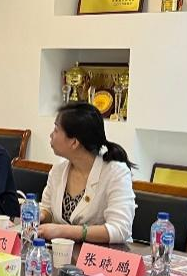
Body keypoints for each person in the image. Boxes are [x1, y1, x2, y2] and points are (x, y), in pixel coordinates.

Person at [38, 102, 136, 244]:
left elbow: (119, 229)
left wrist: (63, 231)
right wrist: (39, 215)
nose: (51, 135)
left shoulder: (116, 173)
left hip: (104, 254)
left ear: (74, 142)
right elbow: (48, 210)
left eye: (56, 130)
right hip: (65, 252)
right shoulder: (58, 170)